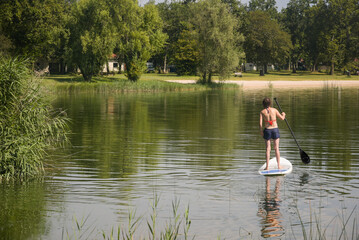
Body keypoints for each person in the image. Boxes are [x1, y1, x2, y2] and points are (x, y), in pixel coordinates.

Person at [259, 97, 286, 170]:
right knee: (276, 148)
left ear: (263, 104)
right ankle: (279, 166)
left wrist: (261, 131)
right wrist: (283, 114)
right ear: (270, 103)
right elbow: (282, 118)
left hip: (267, 130)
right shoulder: (274, 110)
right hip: (275, 130)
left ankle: (267, 167)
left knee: (268, 149)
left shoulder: (262, 112)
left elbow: (260, 123)